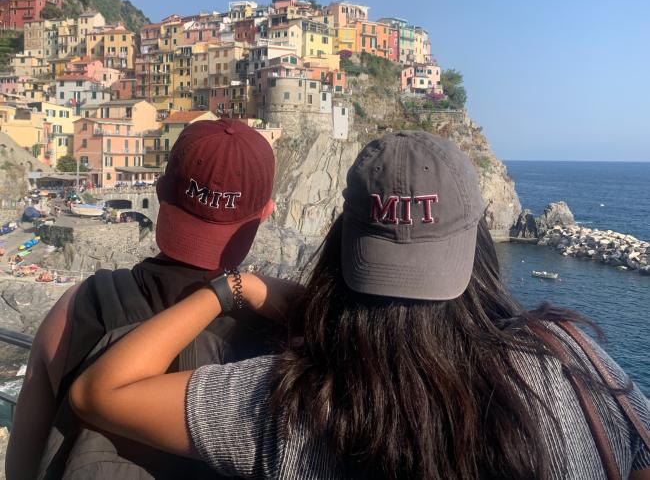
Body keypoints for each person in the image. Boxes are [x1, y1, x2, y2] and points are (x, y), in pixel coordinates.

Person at [68, 131, 650, 479]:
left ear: (342, 247)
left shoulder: (291, 404)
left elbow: (101, 392)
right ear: (477, 246)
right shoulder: (571, 360)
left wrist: (232, 289)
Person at [6, 119, 298, 480]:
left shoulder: (76, 306)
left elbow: (22, 465)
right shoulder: (287, 339)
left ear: (160, 191)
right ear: (264, 213)